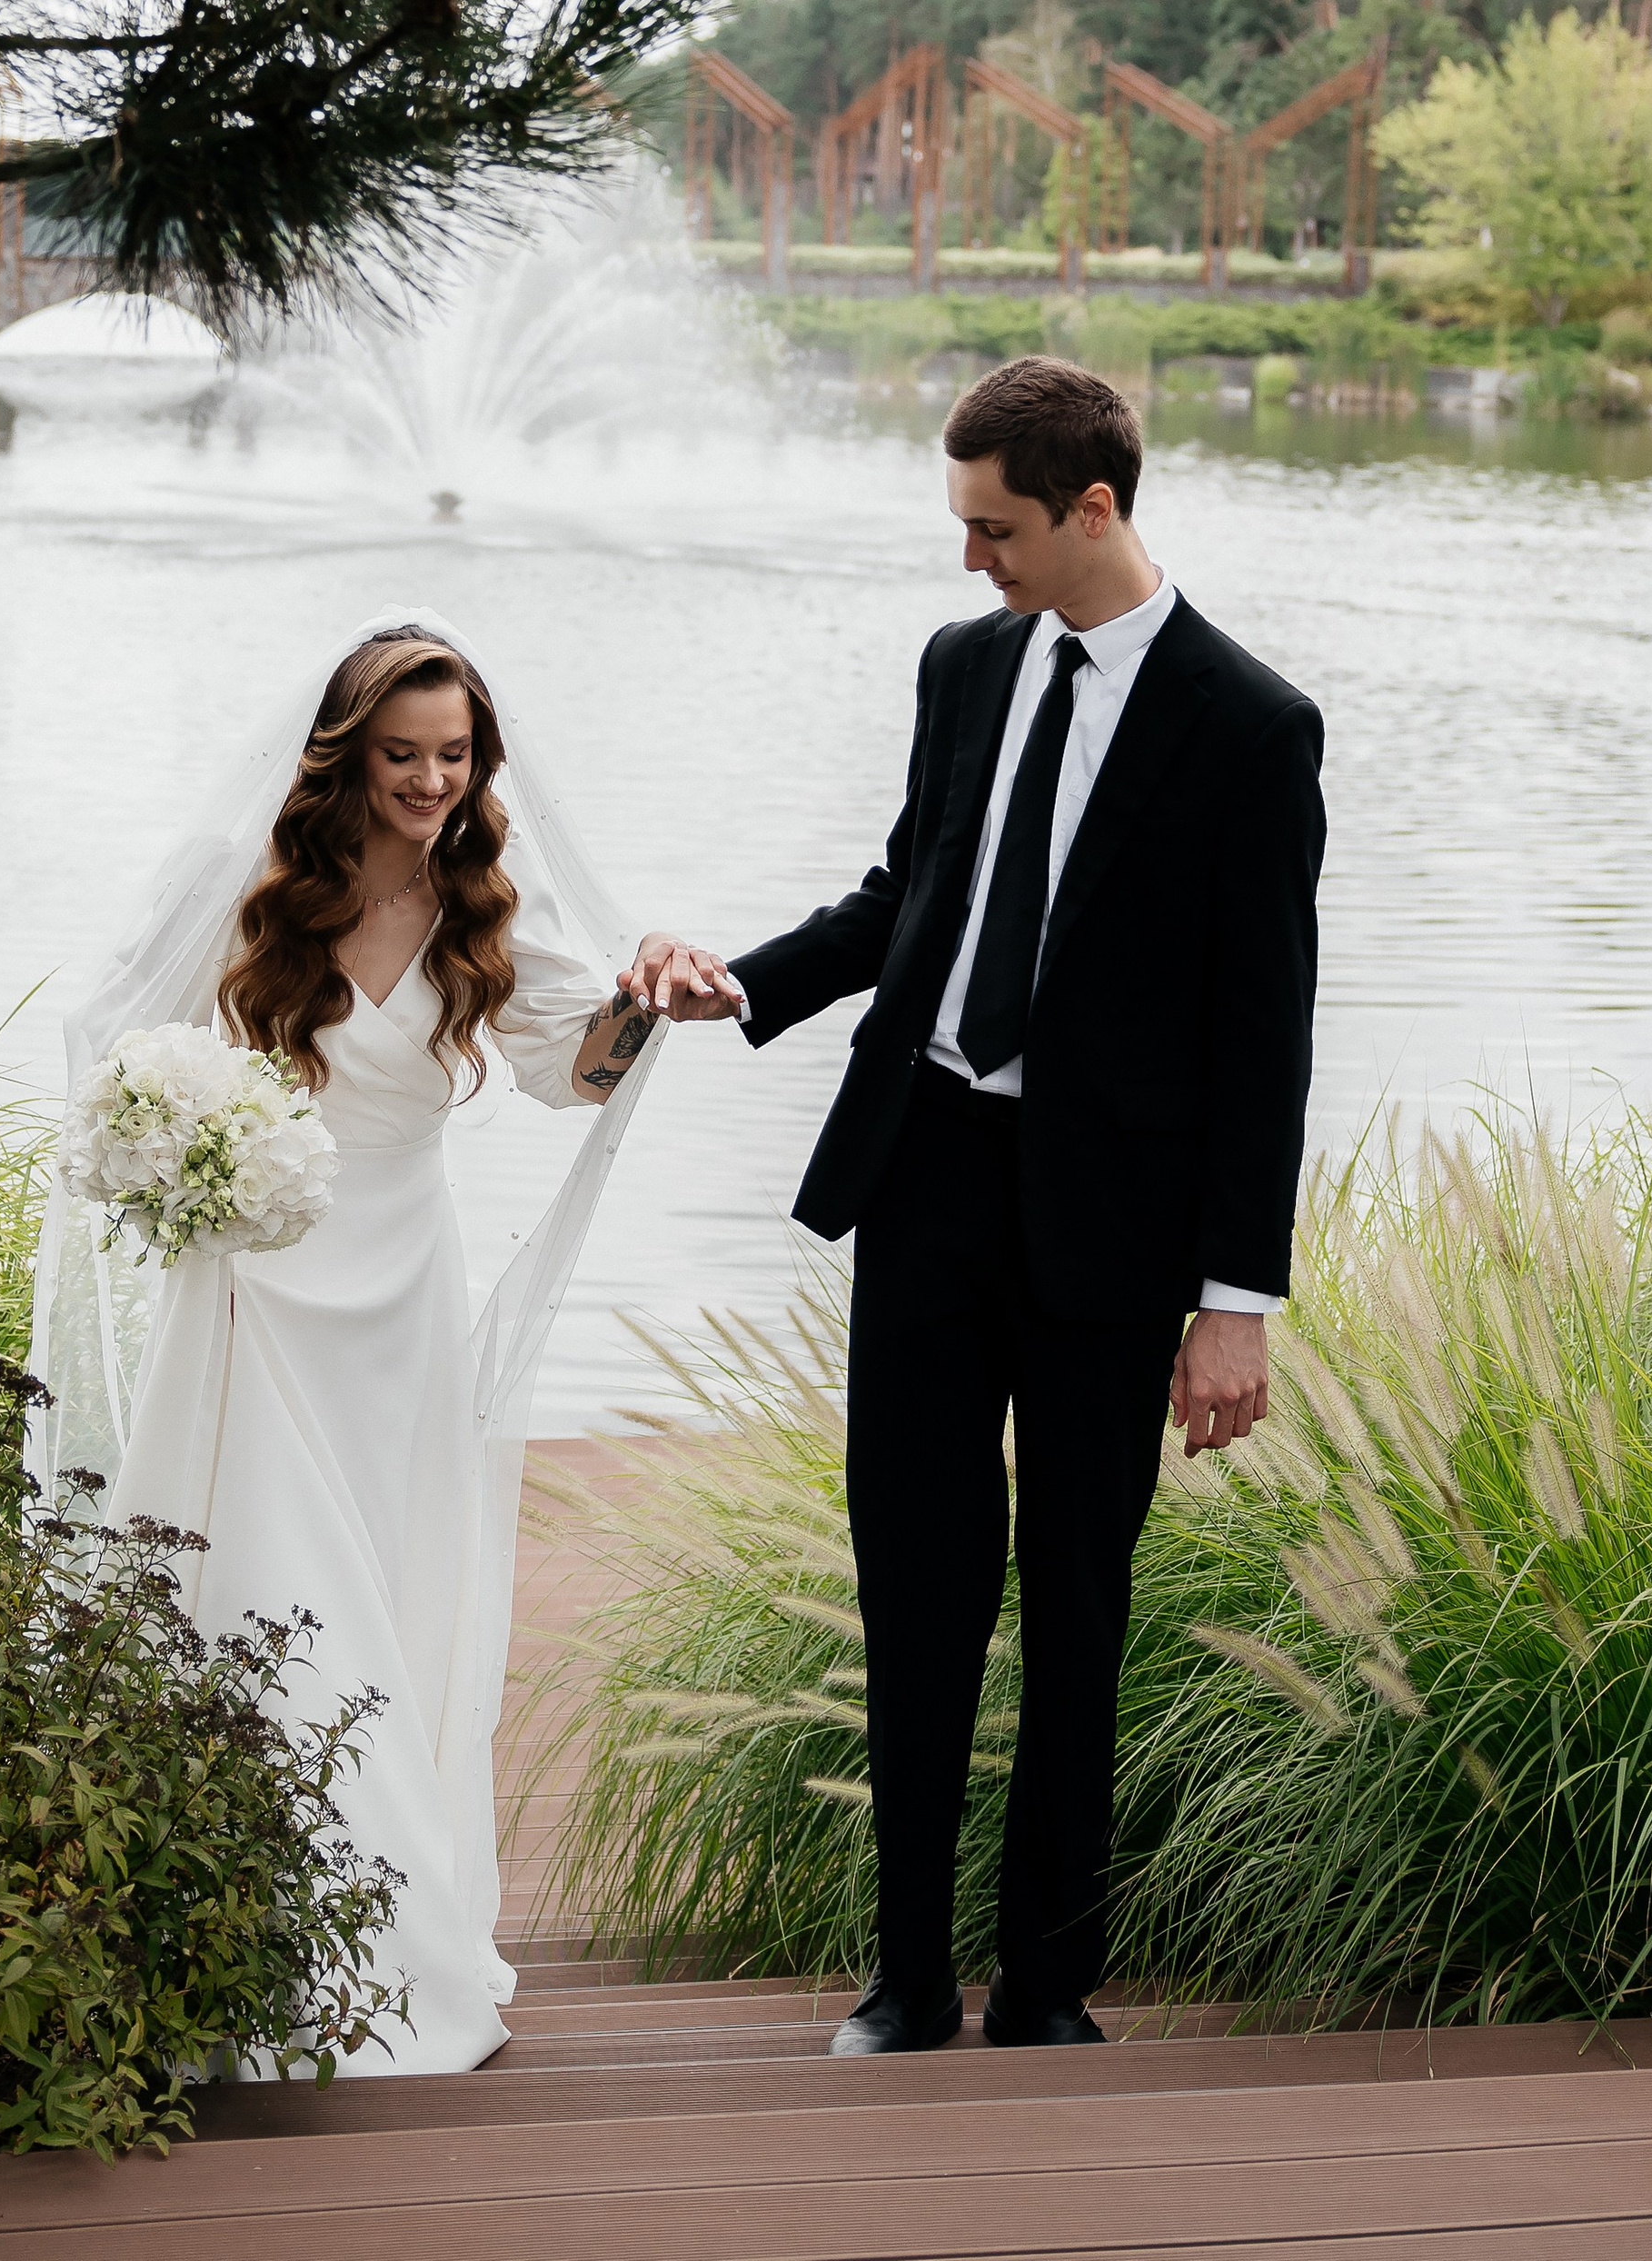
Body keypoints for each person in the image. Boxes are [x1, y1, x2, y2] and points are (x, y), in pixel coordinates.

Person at [627, 356, 1325, 2057]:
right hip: (925, 1184)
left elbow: (1266, 1030)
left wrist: (1235, 1298)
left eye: (995, 529)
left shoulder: (1251, 727)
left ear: (1094, 507)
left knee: (1079, 1606)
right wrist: (748, 981)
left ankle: (1047, 1992)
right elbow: (910, 892)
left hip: (1111, 1237)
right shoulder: (964, 667)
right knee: (913, 1585)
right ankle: (907, 1980)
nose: (970, 561)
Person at [28, 616, 702, 2075]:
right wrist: (176, 1155)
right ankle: (218, 1932)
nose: (430, 781)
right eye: (402, 754)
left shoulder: (487, 914)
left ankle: (378, 1936)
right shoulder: (258, 896)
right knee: (258, 1571)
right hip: (257, 1284)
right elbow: (119, 1047)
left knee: (383, 1592)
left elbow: (572, 1078)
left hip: (401, 1290)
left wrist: (640, 1011)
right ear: (348, 755)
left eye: (454, 756)